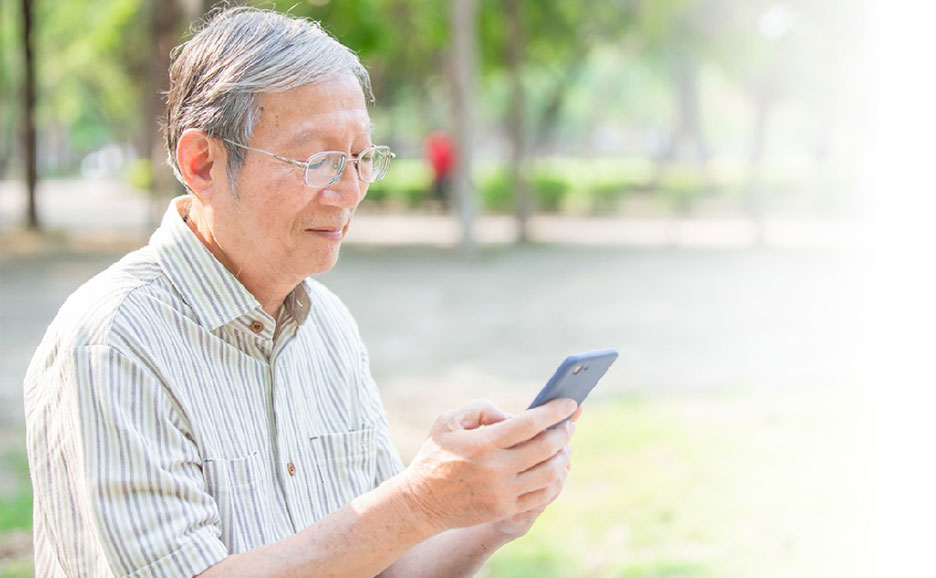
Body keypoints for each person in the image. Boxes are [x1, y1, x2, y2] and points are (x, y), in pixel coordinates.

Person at [23, 7, 581, 578]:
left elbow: (382, 564)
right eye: (317, 160)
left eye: (361, 159)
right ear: (203, 163)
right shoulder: (113, 340)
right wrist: (417, 503)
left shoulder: (327, 324)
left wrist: (493, 513)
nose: (348, 191)